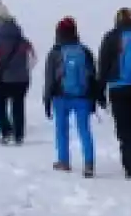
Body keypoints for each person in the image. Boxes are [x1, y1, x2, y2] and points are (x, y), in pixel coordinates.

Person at [42, 16, 102, 176]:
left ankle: (64, 160)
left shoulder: (55, 53)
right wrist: (94, 99)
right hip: (82, 97)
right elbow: (93, 77)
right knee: (84, 130)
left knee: (62, 130)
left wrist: (47, 99)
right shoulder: (85, 52)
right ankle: (89, 164)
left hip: (61, 97)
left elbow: (49, 79)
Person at [97, 8, 131, 179]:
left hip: (118, 87)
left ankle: (130, 165)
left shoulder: (112, 37)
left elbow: (103, 64)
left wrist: (100, 90)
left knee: (123, 125)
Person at [0, 5, 35, 145]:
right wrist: (25, 71)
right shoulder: (23, 40)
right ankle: (19, 135)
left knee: (0, 105)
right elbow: (33, 59)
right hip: (21, 79)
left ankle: (6, 132)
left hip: (3, 78)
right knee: (18, 106)